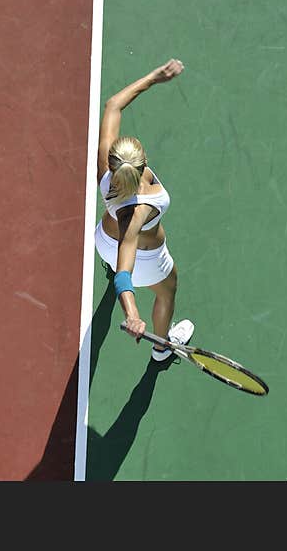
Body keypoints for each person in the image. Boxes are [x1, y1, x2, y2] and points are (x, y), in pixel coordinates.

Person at [94, 58, 194, 361]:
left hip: (104, 242)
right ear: (143, 160)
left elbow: (113, 105)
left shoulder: (106, 171)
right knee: (168, 288)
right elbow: (126, 269)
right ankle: (163, 347)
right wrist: (133, 312)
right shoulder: (137, 213)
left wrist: (154, 77)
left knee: (117, 267)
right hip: (143, 260)